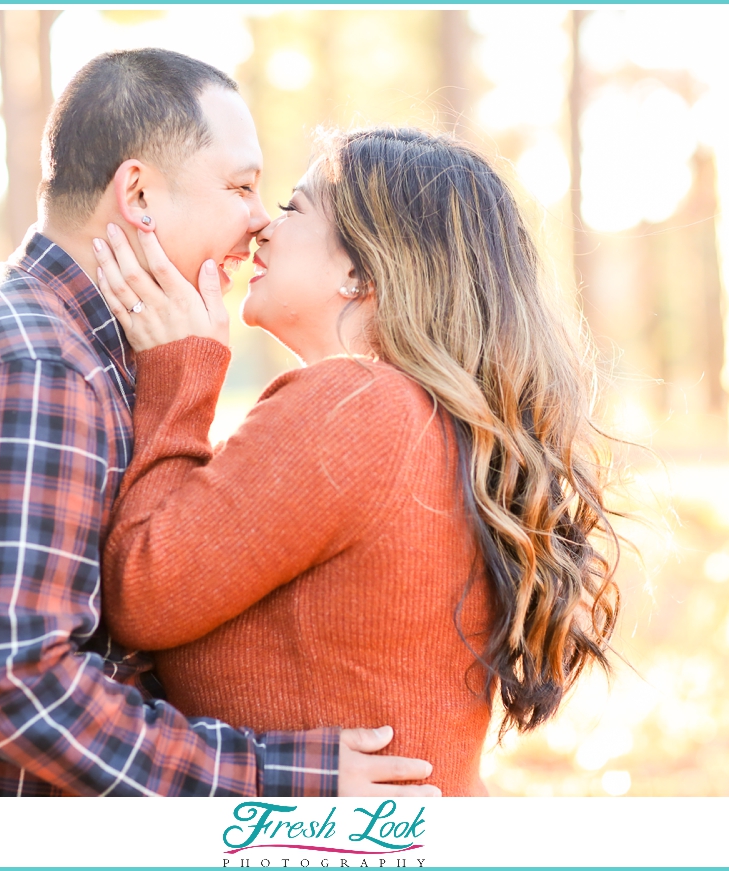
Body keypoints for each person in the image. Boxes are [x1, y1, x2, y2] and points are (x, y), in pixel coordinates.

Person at [0, 49, 438, 797]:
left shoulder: (72, 354)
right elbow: (5, 677)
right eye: (240, 186)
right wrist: (268, 778)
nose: (261, 219)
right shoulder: (31, 367)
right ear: (137, 193)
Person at [91, 127, 621, 796]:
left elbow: (140, 590)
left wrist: (179, 373)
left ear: (360, 271)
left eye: (295, 208)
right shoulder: (413, 414)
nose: (262, 229)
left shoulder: (356, 406)